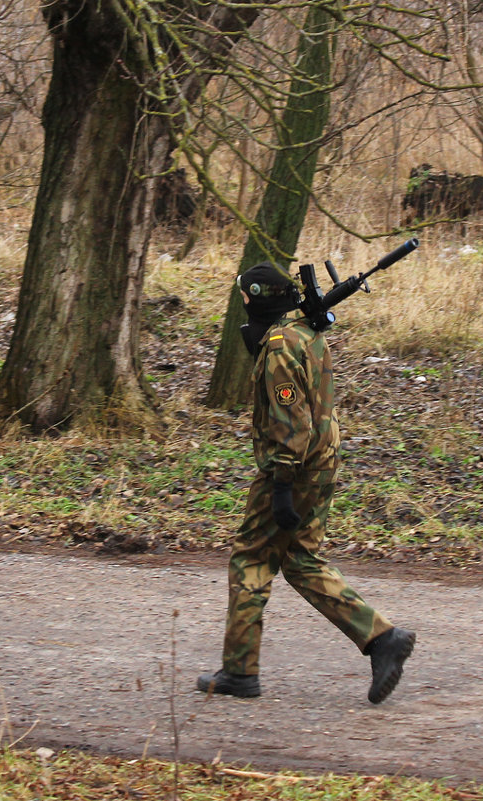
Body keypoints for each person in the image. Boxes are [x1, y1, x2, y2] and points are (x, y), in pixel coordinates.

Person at [197, 262, 415, 704]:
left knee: (251, 558)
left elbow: (290, 420)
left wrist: (279, 484)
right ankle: (381, 638)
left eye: (244, 294)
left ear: (257, 297)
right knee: (299, 559)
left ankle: (240, 672)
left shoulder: (280, 344)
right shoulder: (304, 332)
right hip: (322, 461)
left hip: (293, 466)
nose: (240, 300)